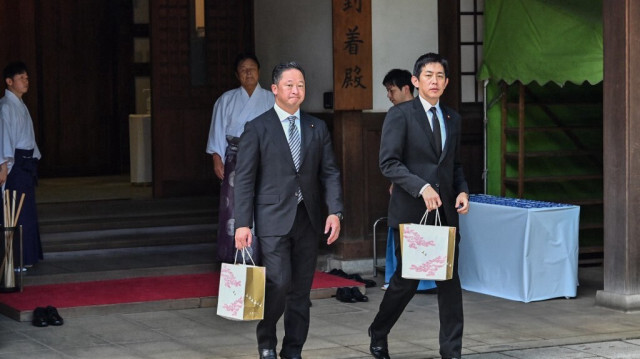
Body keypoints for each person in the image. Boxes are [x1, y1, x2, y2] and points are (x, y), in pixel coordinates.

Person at [234, 61, 344, 359]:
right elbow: (244, 180)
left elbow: (330, 172)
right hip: (271, 219)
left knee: (301, 291)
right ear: (274, 89)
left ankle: (293, 349)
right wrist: (242, 224)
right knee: (279, 282)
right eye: (289, 85)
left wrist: (335, 211)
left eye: (300, 86)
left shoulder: (316, 127)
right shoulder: (257, 128)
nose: (296, 91)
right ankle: (266, 339)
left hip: (308, 219)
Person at [368, 53, 470, 359]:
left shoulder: (453, 118)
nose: (434, 81)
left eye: (440, 76)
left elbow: (455, 166)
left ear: (447, 82)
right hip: (413, 214)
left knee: (449, 283)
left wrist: (463, 190)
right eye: (428, 75)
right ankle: (379, 331)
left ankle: (451, 351)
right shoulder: (400, 115)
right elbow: (389, 163)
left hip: (446, 214)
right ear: (416, 81)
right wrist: (421, 187)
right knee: (406, 282)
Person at [206, 53, 274, 264]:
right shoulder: (226, 99)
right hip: (235, 157)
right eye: (243, 69)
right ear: (237, 75)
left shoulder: (272, 98)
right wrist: (217, 158)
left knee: (265, 204)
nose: (248, 72)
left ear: (259, 72)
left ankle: (264, 256)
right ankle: (233, 256)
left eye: (252, 68)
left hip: (265, 157)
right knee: (234, 205)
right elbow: (217, 130)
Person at [380, 69, 437, 293]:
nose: (389, 95)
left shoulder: (433, 113)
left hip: (432, 186)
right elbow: (391, 159)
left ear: (406, 88)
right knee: (404, 238)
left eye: (391, 90)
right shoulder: (397, 114)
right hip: (408, 185)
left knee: (429, 234)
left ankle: (428, 281)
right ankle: (405, 281)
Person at [0, 61, 43, 268]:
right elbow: (4, 138)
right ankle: (15, 259)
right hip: (14, 165)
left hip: (25, 163)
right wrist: (3, 165)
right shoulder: (6, 106)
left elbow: (29, 138)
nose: (26, 81)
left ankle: (25, 257)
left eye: (27, 78)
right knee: (15, 211)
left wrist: (34, 157)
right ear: (9, 82)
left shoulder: (20, 105)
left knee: (26, 212)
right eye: (21, 78)